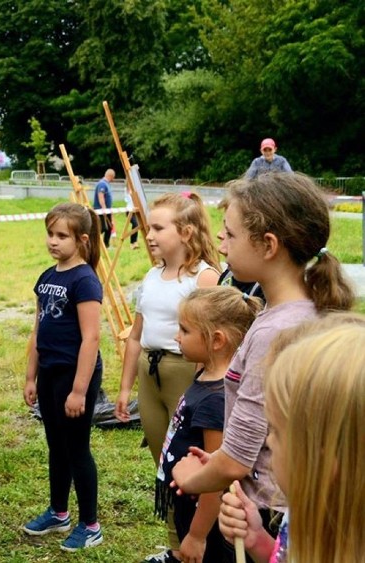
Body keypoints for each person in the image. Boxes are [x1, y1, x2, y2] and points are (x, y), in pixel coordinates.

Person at [170, 173, 355, 562]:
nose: (222, 243)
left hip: (267, 512)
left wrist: (193, 478)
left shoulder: (275, 332)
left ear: (268, 245)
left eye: (231, 235)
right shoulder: (303, 310)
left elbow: (237, 458)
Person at [114, 191, 221, 563]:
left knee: (190, 462)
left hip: (185, 375)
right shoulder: (152, 274)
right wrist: (126, 386)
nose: (149, 235)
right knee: (165, 464)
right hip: (150, 372)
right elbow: (136, 334)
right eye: (148, 227)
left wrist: (198, 389)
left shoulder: (205, 277)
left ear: (187, 232)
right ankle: (177, 544)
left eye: (158, 227)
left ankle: (199, 540)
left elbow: (213, 345)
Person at [218, 313, 365, 563]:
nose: (270, 442)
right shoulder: (300, 514)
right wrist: (257, 539)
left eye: (274, 430)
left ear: (325, 460)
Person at [154, 287, 262, 563]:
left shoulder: (217, 399)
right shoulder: (204, 373)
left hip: (207, 518)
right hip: (188, 502)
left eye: (185, 330)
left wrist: (197, 535)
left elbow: (217, 479)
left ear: (216, 340)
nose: (177, 337)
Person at [21, 202, 104, 552]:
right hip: (50, 374)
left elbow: (91, 338)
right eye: (50, 234)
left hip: (75, 376)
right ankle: (59, 513)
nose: (53, 242)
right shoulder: (47, 277)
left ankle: (90, 524)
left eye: (61, 235)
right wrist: (30, 377)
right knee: (56, 446)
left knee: (77, 448)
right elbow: (38, 329)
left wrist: (79, 391)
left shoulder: (85, 280)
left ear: (81, 240)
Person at [93, 169, 115, 247]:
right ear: (111, 176)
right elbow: (101, 197)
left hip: (107, 210)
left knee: (109, 227)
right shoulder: (102, 184)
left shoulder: (107, 184)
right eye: (113, 177)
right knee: (102, 228)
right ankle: (93, 242)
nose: (113, 179)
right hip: (101, 210)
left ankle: (106, 244)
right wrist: (104, 208)